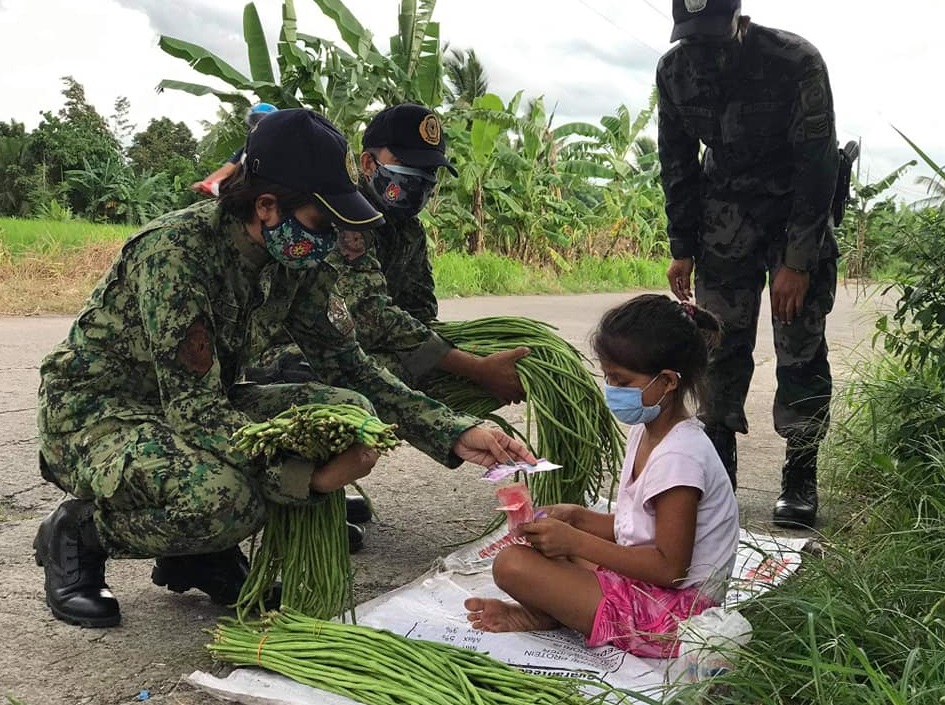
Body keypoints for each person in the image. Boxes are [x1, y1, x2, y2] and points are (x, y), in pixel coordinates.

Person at [33, 108, 537, 629]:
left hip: (195, 404)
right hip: (100, 413)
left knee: (348, 412)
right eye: (322, 220)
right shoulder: (176, 255)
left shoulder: (295, 259)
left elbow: (351, 369)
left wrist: (455, 433)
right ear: (267, 206)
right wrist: (304, 479)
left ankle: (200, 555)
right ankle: (79, 532)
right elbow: (195, 410)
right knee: (224, 499)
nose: (331, 237)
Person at [464, 294, 739, 658]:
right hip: (648, 588)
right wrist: (577, 519)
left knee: (513, 565)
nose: (610, 389)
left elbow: (670, 568)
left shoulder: (679, 458)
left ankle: (552, 613)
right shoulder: (649, 430)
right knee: (542, 550)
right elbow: (638, 529)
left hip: (678, 618)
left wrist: (576, 542)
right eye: (608, 376)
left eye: (621, 380)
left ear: (668, 381)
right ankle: (553, 613)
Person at [656, 0, 841, 528]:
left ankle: (800, 476)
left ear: (740, 19)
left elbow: (818, 159)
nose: (703, 52)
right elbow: (676, 159)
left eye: (713, 37)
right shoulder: (673, 68)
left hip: (794, 213)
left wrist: (799, 261)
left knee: (799, 344)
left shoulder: (795, 60)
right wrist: (682, 245)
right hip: (725, 218)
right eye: (692, 39)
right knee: (717, 344)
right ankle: (719, 473)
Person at [250, 103, 528, 406]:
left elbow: (419, 310)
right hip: (291, 349)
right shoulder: (341, 213)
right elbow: (370, 313)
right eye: (408, 165)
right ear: (369, 163)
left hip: (355, 344)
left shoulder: (410, 231)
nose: (420, 179)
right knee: (390, 374)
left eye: (429, 171)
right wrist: (476, 367)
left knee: (432, 367)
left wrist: (474, 355)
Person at [191, 102, 278, 196]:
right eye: (255, 122)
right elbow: (228, 169)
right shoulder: (248, 149)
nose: (258, 127)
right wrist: (206, 183)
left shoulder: (283, 145)